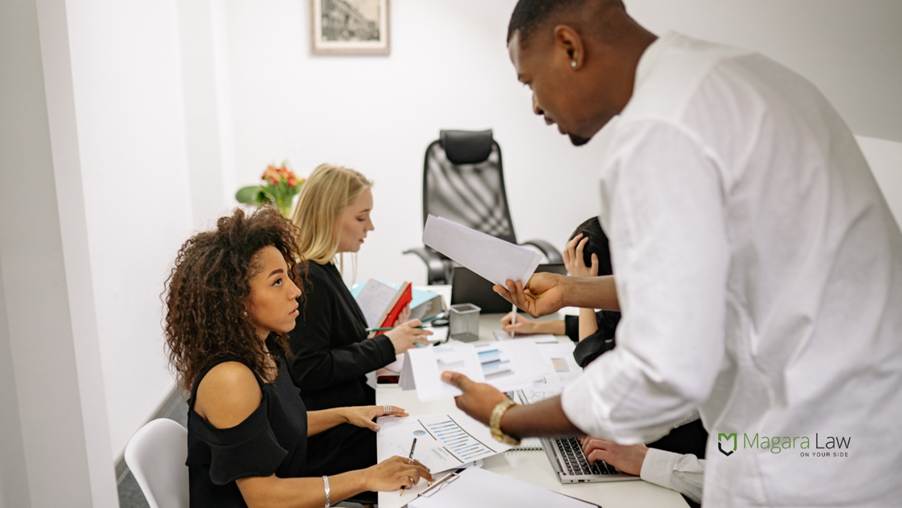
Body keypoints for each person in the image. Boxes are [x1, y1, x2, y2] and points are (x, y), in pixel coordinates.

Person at [442, 1, 902, 506]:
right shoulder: (740, 76)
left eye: (529, 82)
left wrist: (509, 416)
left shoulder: (658, 131)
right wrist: (574, 289)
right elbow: (713, 280)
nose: (534, 106)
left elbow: (664, 370)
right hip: (866, 430)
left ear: (569, 47)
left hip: (803, 452)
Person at [163, 207, 431, 507]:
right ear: (237, 299)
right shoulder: (230, 379)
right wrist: (367, 476)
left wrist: (345, 413)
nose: (295, 291)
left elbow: (277, 423)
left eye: (288, 277)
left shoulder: (263, 347)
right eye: (277, 282)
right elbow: (264, 498)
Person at [288, 163, 432, 475]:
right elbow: (309, 369)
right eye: (361, 217)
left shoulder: (323, 268)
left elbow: (336, 345)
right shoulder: (307, 277)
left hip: (349, 413)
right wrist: (386, 345)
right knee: (429, 446)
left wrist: (384, 340)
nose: (371, 227)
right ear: (329, 216)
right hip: (331, 436)